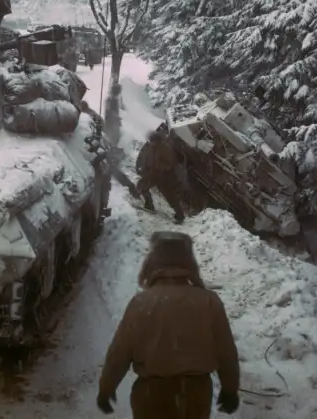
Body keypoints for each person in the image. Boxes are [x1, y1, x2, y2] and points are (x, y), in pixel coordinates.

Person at [96, 231, 240, 418]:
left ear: (152, 262)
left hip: (151, 396)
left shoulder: (141, 303)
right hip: (195, 396)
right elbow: (226, 350)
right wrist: (230, 389)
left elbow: (120, 351)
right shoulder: (208, 302)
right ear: (189, 262)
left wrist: (107, 387)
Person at [136, 128, 186, 224]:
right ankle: (149, 205)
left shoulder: (165, 148)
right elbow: (145, 158)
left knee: (170, 197)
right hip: (152, 174)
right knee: (141, 186)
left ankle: (180, 216)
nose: (152, 143)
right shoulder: (149, 148)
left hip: (164, 177)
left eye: (153, 141)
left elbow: (171, 163)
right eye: (151, 141)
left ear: (157, 140)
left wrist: (161, 166)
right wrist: (142, 169)